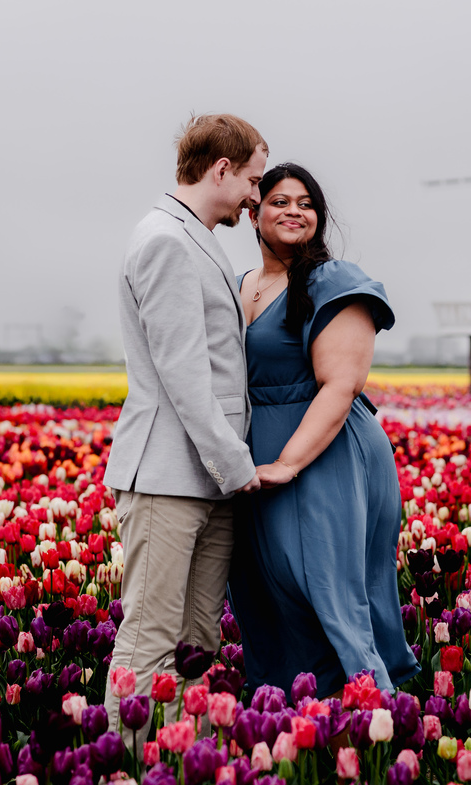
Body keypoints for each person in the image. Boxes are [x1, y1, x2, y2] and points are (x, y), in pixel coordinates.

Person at [227, 163, 419, 700]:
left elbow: (342, 384)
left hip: (322, 450)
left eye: (306, 203)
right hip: (255, 454)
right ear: (253, 213)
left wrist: (289, 462)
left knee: (326, 586)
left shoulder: (332, 282)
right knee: (264, 588)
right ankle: (292, 717)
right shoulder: (239, 285)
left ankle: (371, 718)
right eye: (280, 201)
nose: (294, 211)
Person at [103, 115, 267, 738]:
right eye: (252, 181)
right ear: (221, 170)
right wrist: (238, 465)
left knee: (198, 641)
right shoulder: (166, 240)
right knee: (151, 637)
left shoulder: (197, 238)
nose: (256, 196)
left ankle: (184, 763)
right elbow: (185, 374)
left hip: (207, 478)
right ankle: (128, 765)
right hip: (170, 473)